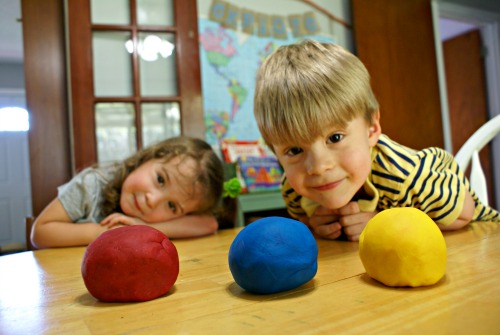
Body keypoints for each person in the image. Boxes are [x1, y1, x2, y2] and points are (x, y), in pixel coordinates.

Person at [253, 39, 499, 241]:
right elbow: (302, 220)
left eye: (335, 137)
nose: (318, 167)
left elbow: (465, 213)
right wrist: (314, 224)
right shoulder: (294, 188)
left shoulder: (406, 175)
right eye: (295, 150)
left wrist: (382, 223)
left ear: (371, 129)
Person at [31, 136, 224, 248]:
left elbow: (208, 223)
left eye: (172, 206)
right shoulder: (93, 183)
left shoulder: (149, 218)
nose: (153, 200)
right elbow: (40, 232)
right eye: (160, 179)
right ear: (148, 157)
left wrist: (142, 227)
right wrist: (112, 232)